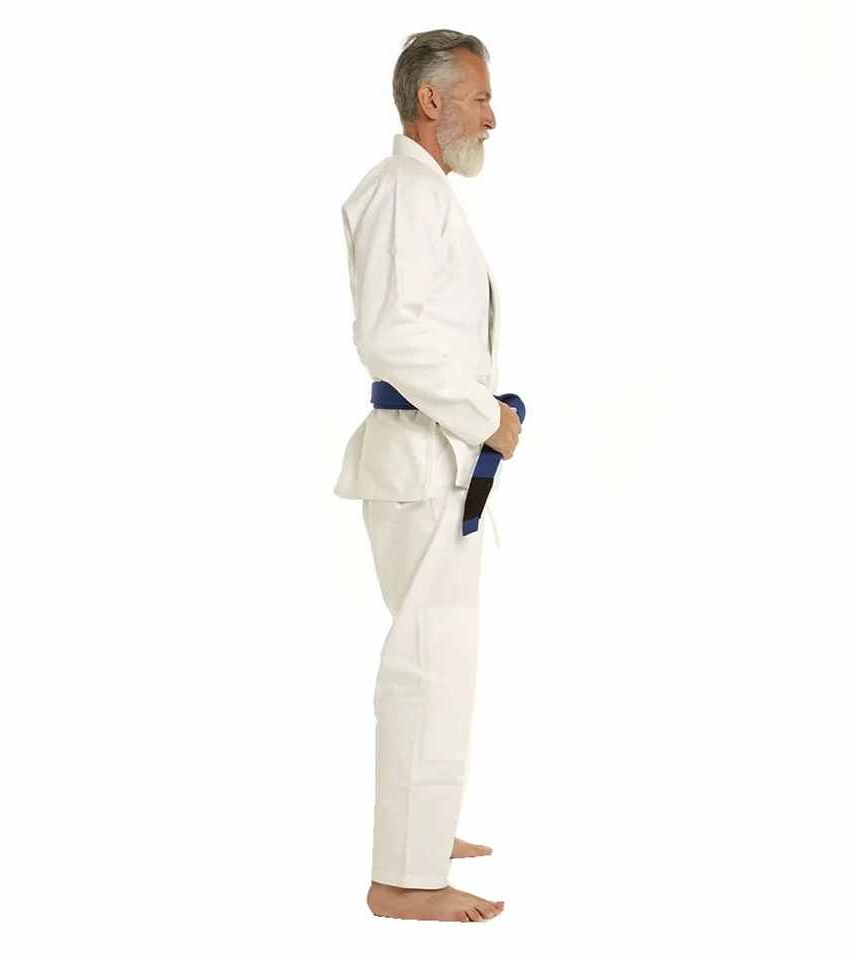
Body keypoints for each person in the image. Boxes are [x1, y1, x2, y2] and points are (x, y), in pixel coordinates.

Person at [333, 29, 522, 923]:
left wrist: (484, 420)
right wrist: (488, 418)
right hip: (421, 455)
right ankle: (402, 881)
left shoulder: (420, 193)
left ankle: (424, 829)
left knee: (441, 659)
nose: (492, 116)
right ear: (431, 101)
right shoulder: (404, 193)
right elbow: (390, 337)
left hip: (431, 458)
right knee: (425, 664)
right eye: (479, 98)